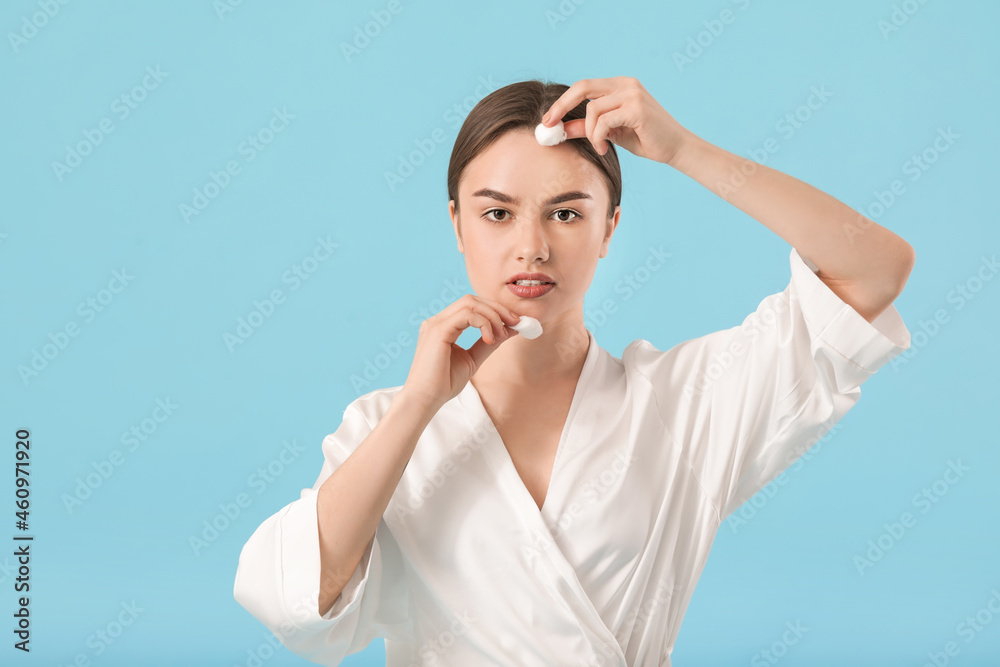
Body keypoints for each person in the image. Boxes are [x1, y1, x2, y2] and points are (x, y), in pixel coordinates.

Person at [233, 76, 914, 666]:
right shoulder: (389, 426)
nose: (531, 246)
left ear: (610, 227)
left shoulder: (684, 405)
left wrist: (682, 148)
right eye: (497, 213)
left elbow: (876, 267)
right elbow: (296, 602)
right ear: (457, 224)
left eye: (565, 213)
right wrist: (418, 405)